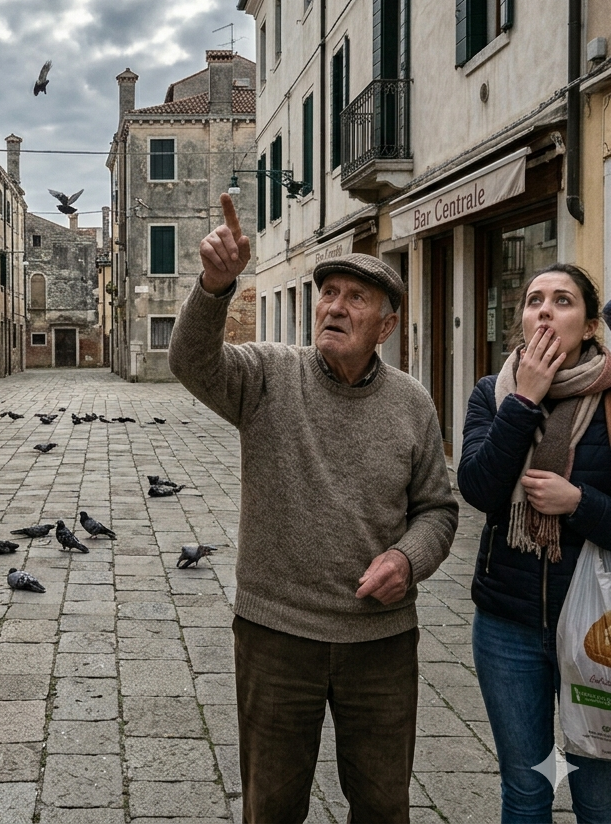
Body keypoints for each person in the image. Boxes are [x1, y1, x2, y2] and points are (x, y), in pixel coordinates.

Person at [168, 195, 459, 824]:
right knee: (271, 806)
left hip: (380, 641)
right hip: (277, 636)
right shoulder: (269, 375)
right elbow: (191, 363)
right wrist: (215, 288)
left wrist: (408, 561)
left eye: (356, 297)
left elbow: (438, 509)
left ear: (386, 327)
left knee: (383, 805)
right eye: (328, 292)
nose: (334, 305)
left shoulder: (412, 403)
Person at [459, 263, 611, 823]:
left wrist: (580, 505)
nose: (544, 310)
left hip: (599, 628)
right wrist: (524, 401)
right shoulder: (492, 394)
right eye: (533, 300)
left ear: (591, 325)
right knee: (526, 792)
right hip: (508, 628)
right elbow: (479, 487)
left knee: (599, 796)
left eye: (563, 301)